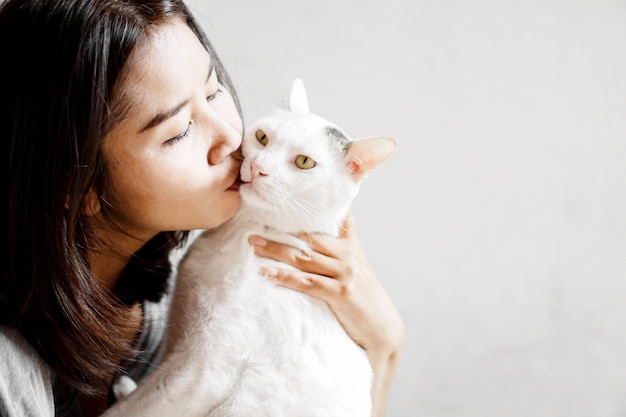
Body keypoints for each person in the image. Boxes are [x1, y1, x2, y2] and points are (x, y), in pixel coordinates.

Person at [1, 0, 405, 416]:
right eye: (178, 132)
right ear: (75, 184)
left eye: (214, 91)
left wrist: (384, 343)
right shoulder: (8, 374)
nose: (231, 137)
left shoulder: (151, 315)